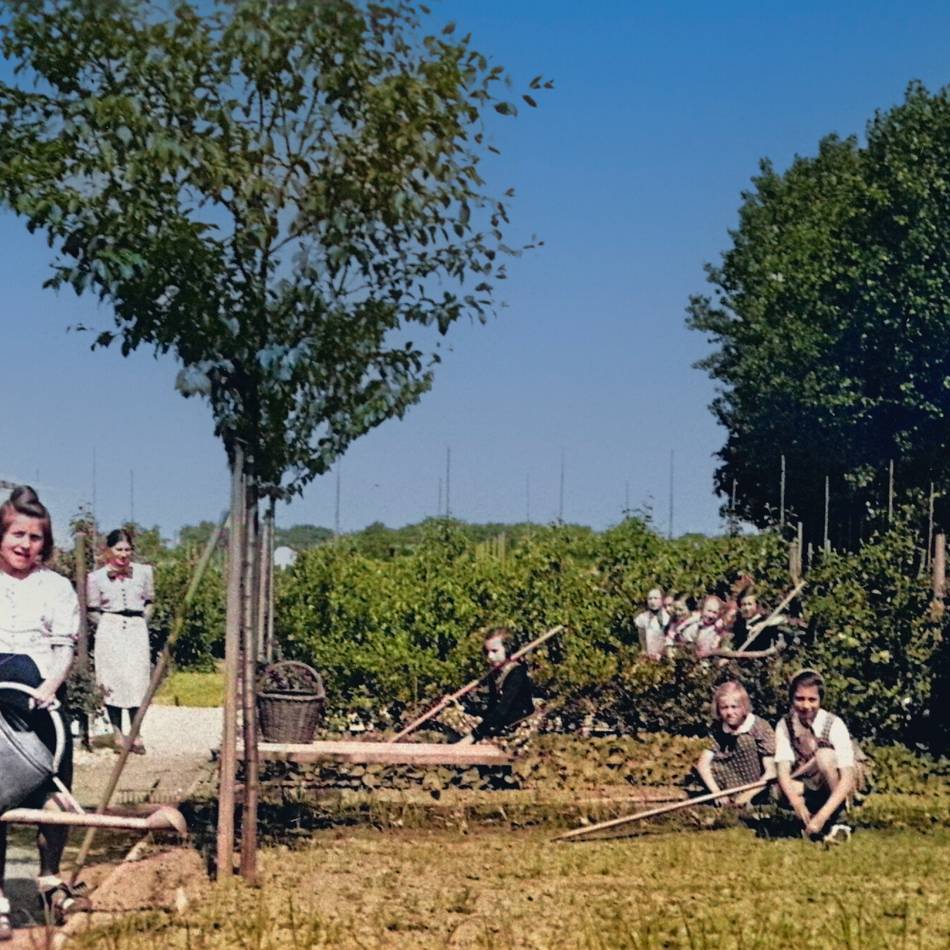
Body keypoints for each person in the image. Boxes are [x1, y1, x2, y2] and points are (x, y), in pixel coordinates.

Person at [0, 486, 87, 933]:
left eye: (35, 538)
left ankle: (50, 880)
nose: (24, 545)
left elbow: (63, 648)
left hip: (39, 698)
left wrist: (51, 686)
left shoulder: (54, 587)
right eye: (17, 534)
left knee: (52, 794)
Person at [87, 529, 155, 755]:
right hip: (110, 629)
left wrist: (141, 621)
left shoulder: (144, 572)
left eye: (127, 549)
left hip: (136, 628)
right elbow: (92, 609)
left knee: (137, 680)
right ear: (108, 551)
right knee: (112, 681)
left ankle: (136, 734)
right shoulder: (95, 577)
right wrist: (108, 625)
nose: (123, 554)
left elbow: (150, 601)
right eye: (119, 549)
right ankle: (117, 734)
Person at [774, 669, 855, 842]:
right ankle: (809, 815)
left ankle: (838, 819)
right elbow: (783, 771)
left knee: (824, 756)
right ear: (791, 699)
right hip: (809, 781)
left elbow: (848, 778)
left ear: (820, 700)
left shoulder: (834, 724)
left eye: (812, 699)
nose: (806, 706)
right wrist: (796, 802)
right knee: (780, 789)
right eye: (800, 699)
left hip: (839, 783)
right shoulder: (784, 725)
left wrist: (821, 818)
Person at [695, 681, 776, 806]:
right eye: (724, 708)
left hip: (755, 786)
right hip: (726, 783)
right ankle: (725, 800)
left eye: (734, 707)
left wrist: (747, 795)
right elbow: (703, 764)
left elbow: (771, 771)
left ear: (744, 707)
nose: (729, 712)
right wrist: (716, 792)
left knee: (744, 741)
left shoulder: (760, 727)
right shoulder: (718, 729)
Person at [456, 628, 535, 744]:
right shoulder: (495, 674)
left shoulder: (517, 674)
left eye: (495, 651)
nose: (490, 657)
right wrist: (462, 708)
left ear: (507, 649)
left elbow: (501, 711)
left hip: (516, 727)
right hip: (499, 724)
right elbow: (492, 707)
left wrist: (473, 736)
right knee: (450, 714)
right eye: (487, 652)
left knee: (480, 738)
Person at [634, 587, 670, 660]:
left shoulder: (667, 616)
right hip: (649, 656)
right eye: (650, 598)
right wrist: (644, 650)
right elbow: (642, 635)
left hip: (664, 655)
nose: (652, 601)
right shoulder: (643, 617)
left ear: (662, 600)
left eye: (656, 598)